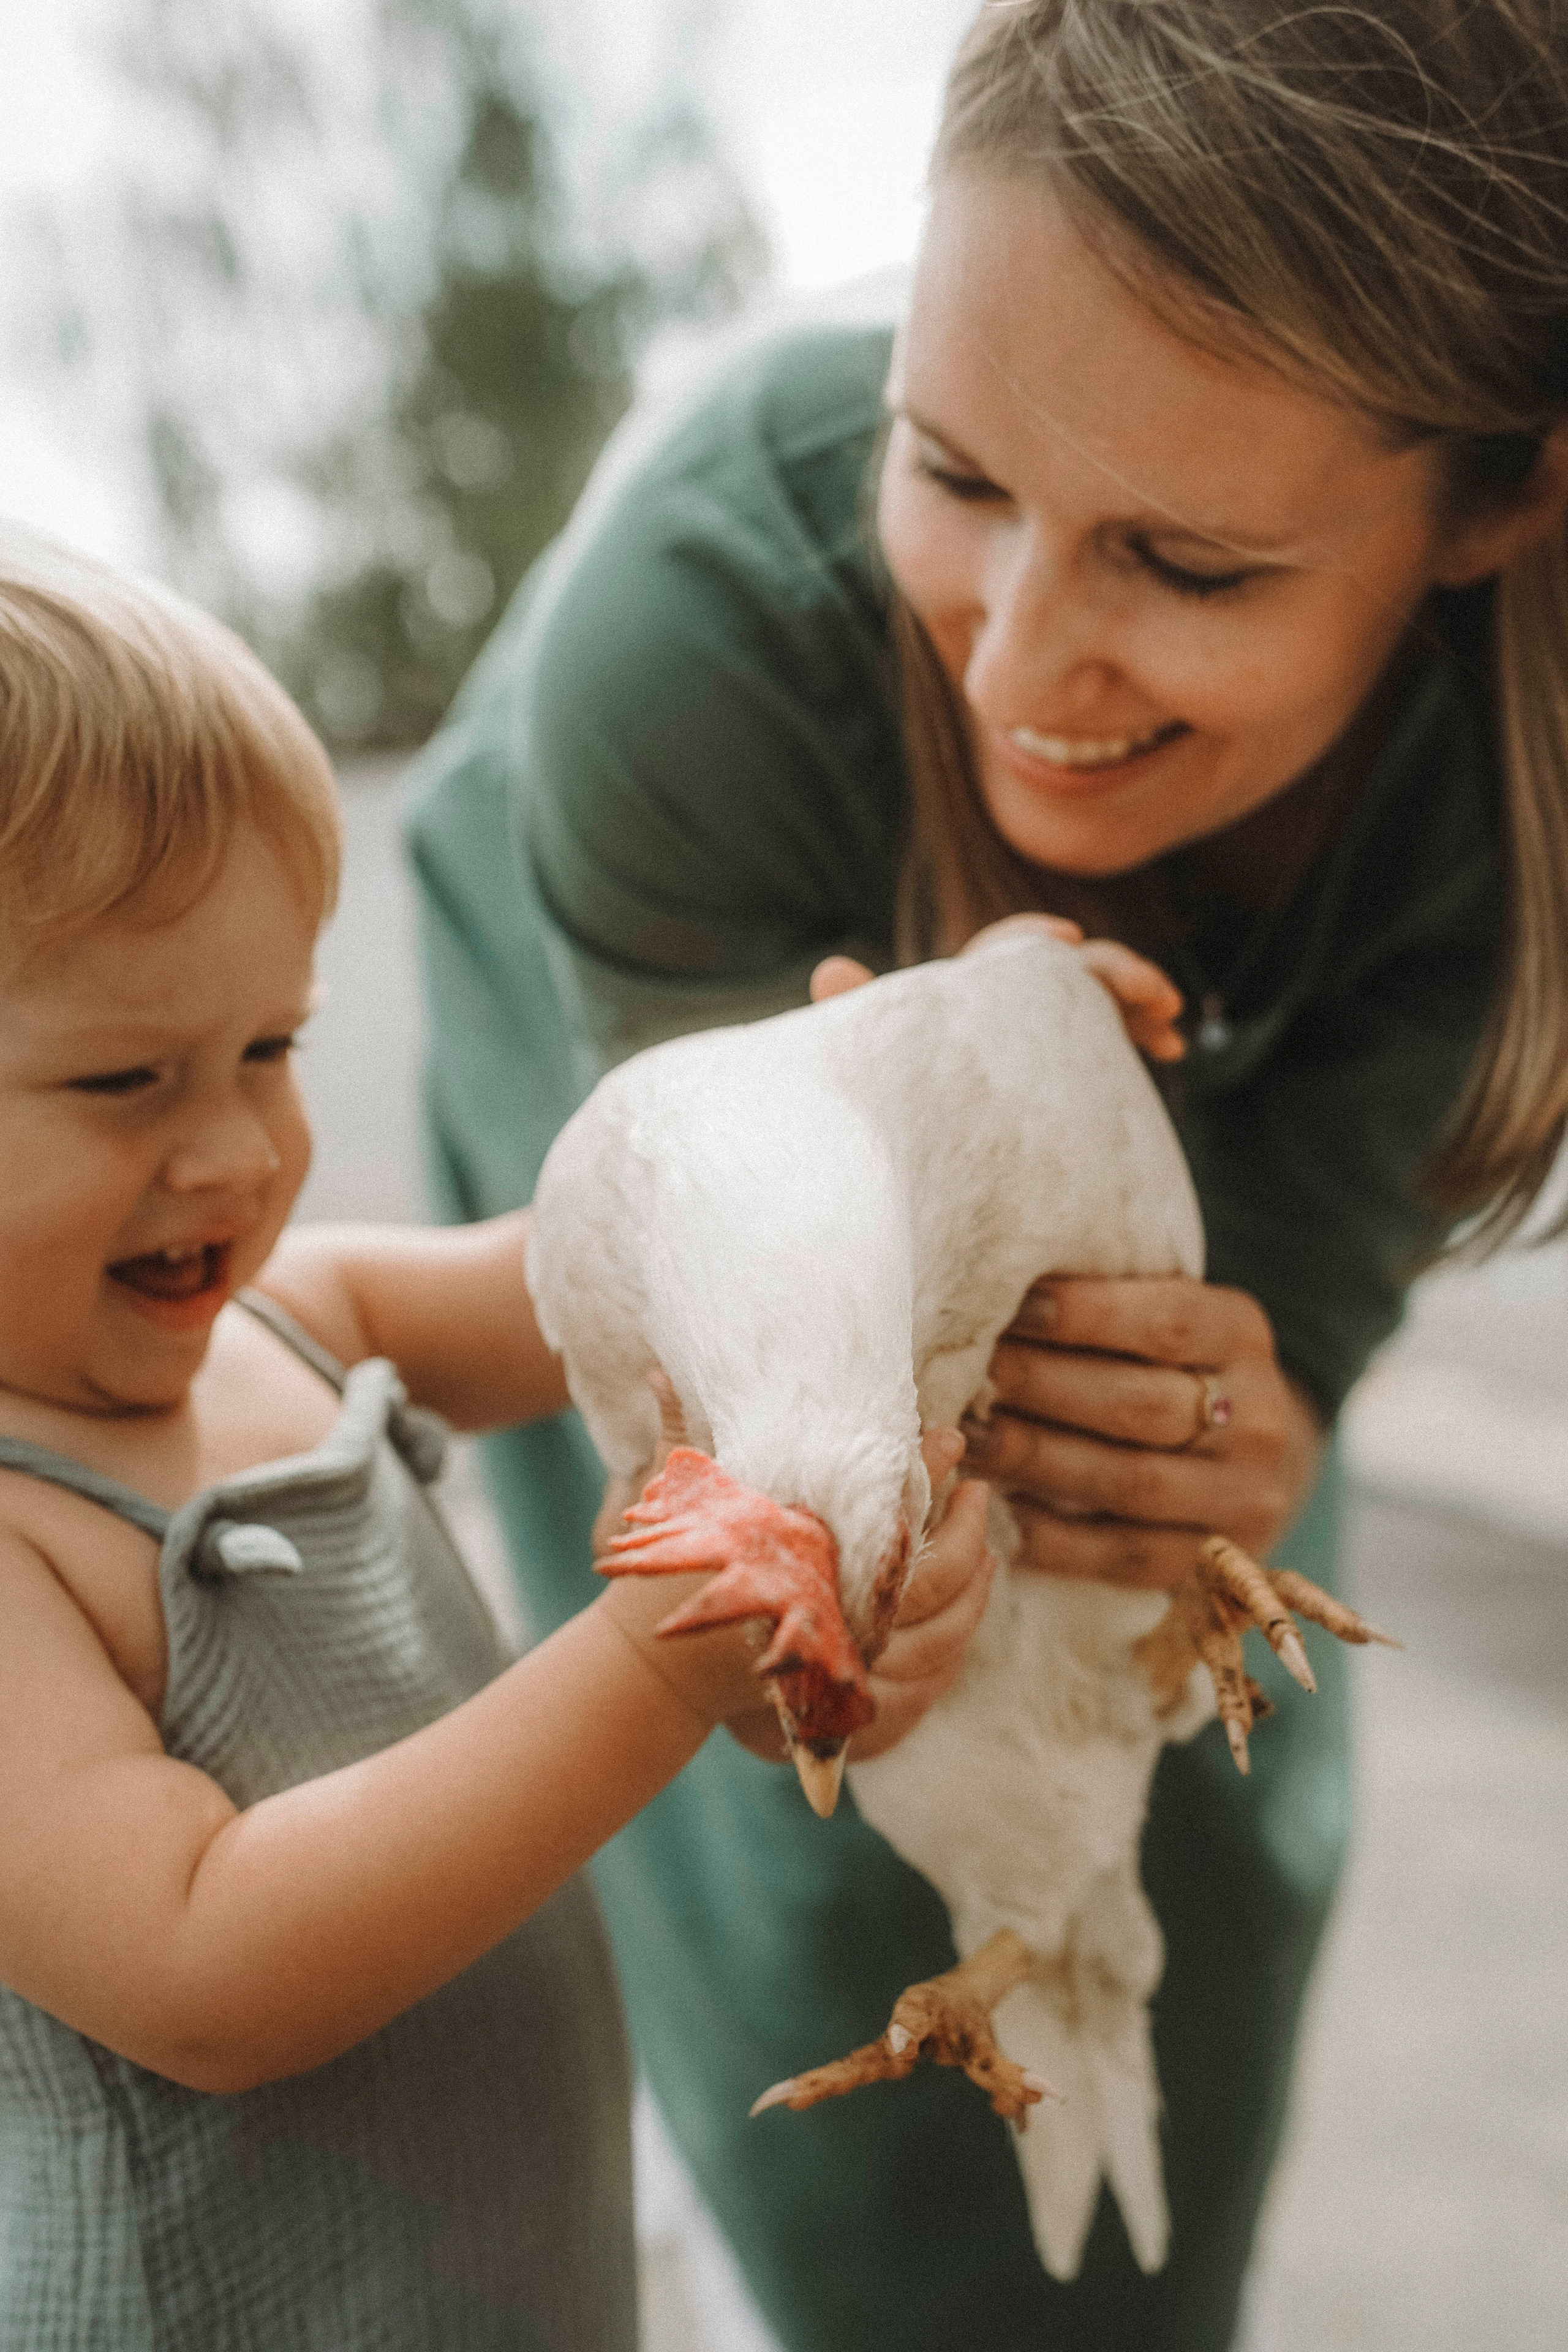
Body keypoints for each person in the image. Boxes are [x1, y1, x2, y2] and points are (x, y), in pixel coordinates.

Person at [405, 4, 1568, 2346]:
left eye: (1189, 563)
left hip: (1172, 1009)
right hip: (677, 928)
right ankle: (760, 2226)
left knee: (1181, 1743)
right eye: (952, 472)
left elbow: (1270, 1356)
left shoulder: (1497, 789)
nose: (1018, 656)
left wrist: (1237, 1414)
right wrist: (827, 1605)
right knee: (828, 1807)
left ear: (1500, 504)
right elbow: (760, 1350)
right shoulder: (703, 629)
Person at [0, 526, 998, 2350]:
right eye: (123, 1079)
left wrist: (870, 1103)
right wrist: (656, 1658)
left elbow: (620, 1258)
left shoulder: (301, 1315)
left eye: (271, 1049)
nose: (236, 1151)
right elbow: (204, 1964)